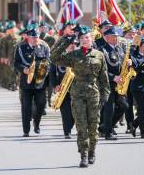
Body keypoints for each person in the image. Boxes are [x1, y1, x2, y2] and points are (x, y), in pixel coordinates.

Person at [51, 26, 110, 168]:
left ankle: (92, 151)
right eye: (82, 38)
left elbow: (104, 78)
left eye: (87, 37)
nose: (85, 40)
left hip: (93, 94)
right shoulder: (74, 55)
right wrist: (66, 40)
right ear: (79, 40)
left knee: (93, 126)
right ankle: (83, 155)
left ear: (92, 39)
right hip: (77, 94)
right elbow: (54, 58)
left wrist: (105, 95)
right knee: (81, 126)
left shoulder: (99, 55)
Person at [14, 28, 50, 137]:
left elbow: (49, 61)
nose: (36, 39)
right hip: (26, 82)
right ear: (28, 37)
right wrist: (23, 69)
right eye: (34, 37)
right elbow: (16, 63)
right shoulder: (21, 47)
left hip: (40, 81)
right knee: (26, 107)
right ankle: (26, 130)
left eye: (37, 37)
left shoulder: (44, 47)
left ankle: (37, 123)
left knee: (41, 104)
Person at [98, 27, 129, 140]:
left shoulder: (119, 49)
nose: (116, 38)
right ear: (106, 37)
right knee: (109, 108)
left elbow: (123, 64)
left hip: (120, 83)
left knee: (124, 106)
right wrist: (113, 77)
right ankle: (108, 133)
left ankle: (105, 126)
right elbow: (101, 70)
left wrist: (129, 62)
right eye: (113, 36)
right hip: (108, 83)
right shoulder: (102, 51)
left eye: (117, 36)